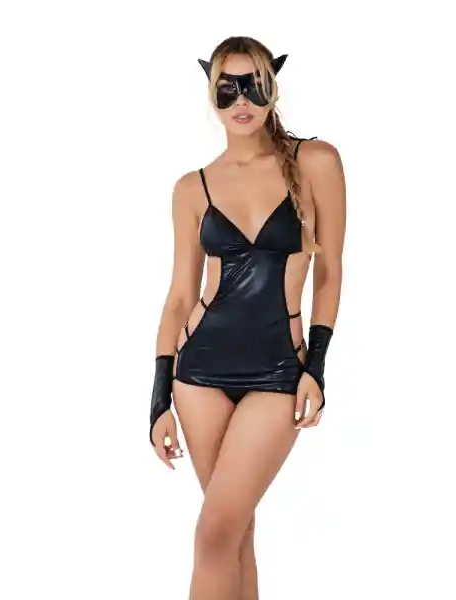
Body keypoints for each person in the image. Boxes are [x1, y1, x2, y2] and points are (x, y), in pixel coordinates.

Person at [149, 36, 346, 600]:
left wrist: (317, 368)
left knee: (214, 534)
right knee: (232, 535)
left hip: (278, 371)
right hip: (198, 373)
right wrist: (159, 399)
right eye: (228, 88)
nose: (242, 100)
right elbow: (179, 297)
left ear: (272, 88)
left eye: (254, 85)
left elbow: (330, 273)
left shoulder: (316, 161)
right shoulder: (192, 187)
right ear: (212, 93)